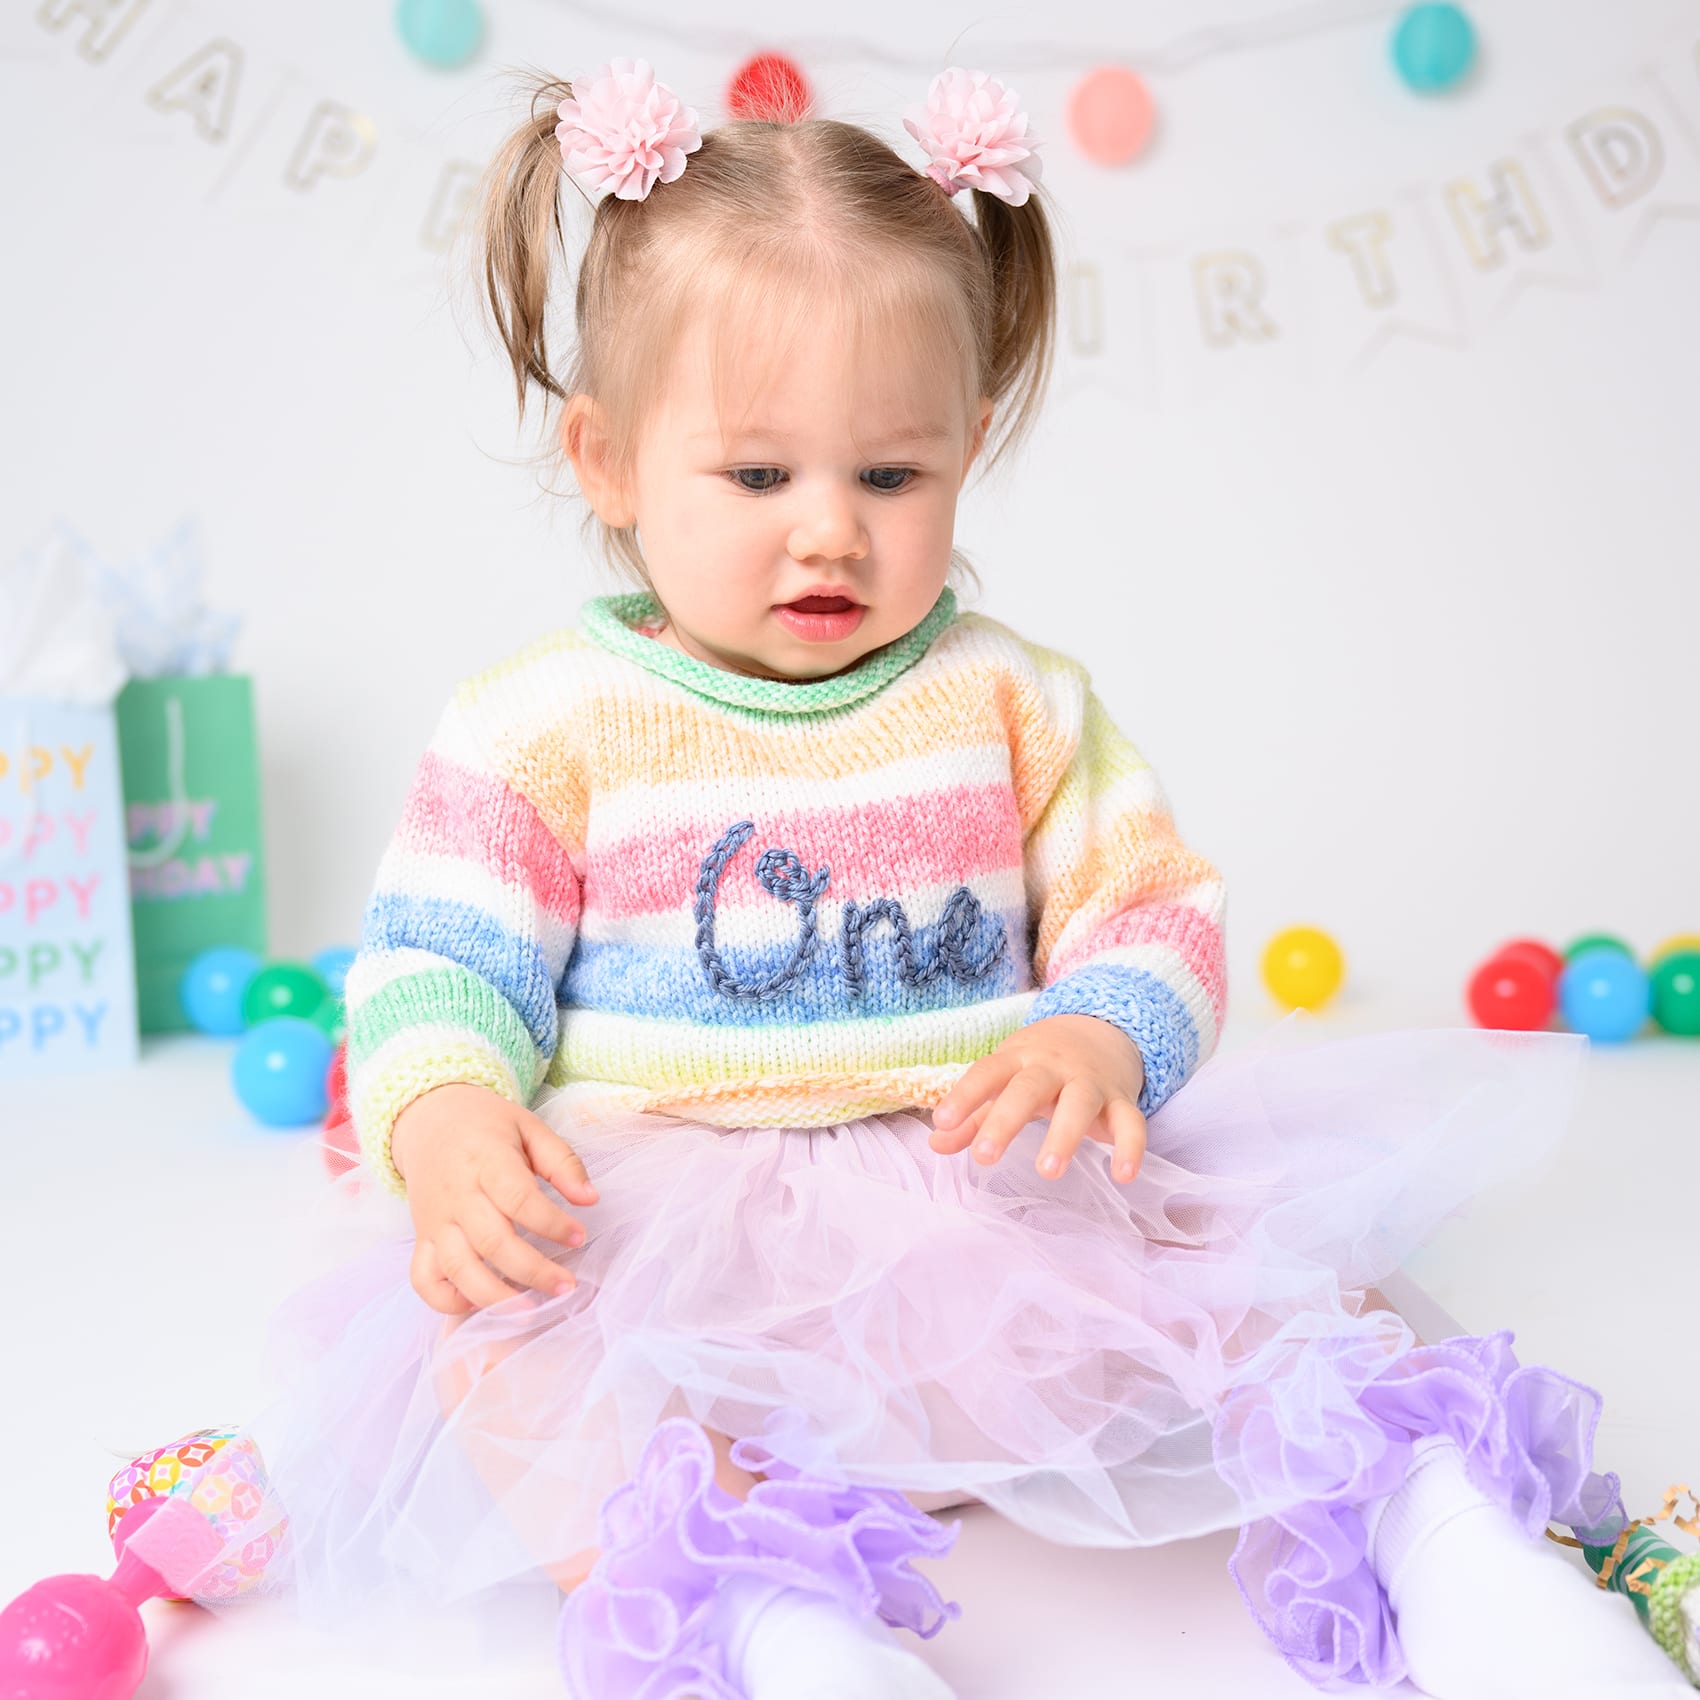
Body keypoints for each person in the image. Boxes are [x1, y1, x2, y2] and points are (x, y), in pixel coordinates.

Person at [141, 60, 1688, 1700]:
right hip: (677, 1236)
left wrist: (1101, 1033)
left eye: (891, 477)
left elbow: (1150, 905)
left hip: (989, 1206)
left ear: (967, 446)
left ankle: (1449, 1537)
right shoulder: (546, 722)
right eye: (759, 478)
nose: (830, 532)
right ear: (607, 460)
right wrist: (448, 1111)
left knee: (1285, 1290)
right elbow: (442, 961)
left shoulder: (1009, 699)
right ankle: (759, 1615)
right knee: (506, 1347)